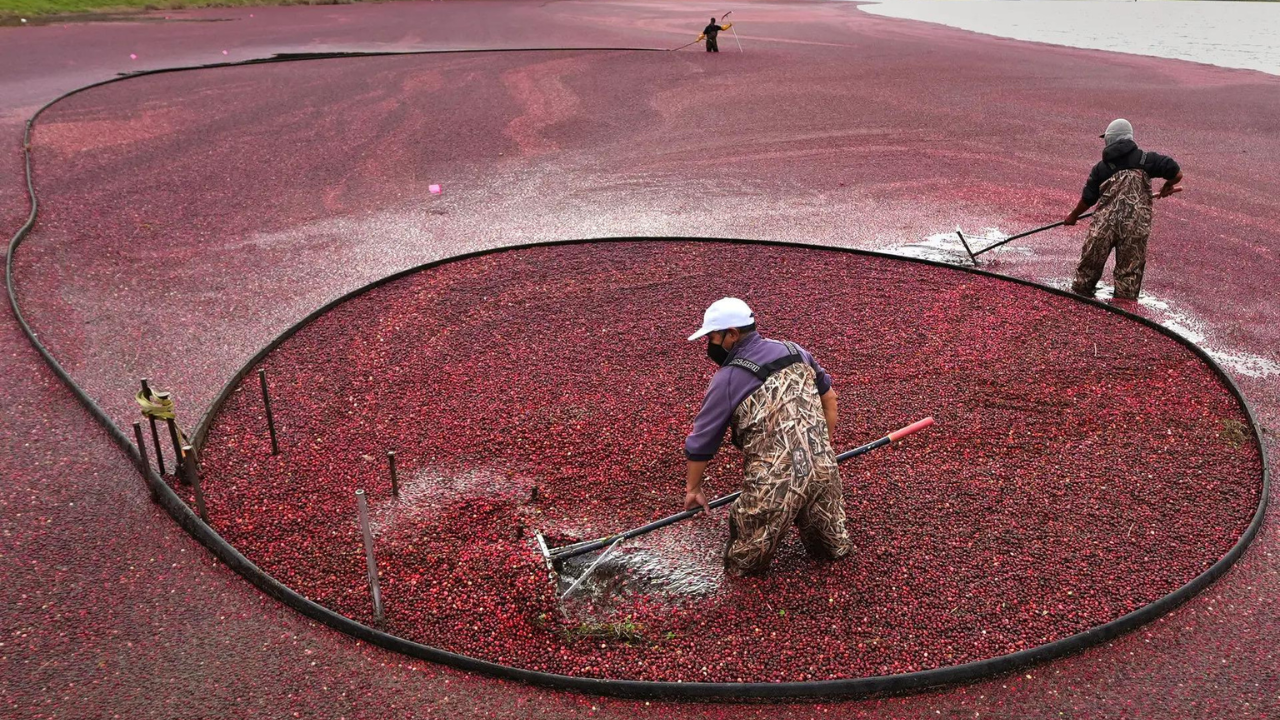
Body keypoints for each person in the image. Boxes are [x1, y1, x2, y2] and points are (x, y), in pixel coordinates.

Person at [683, 298, 851, 576]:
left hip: (774, 484)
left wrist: (693, 489)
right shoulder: (795, 351)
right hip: (824, 471)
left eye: (712, 337)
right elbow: (830, 399)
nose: (710, 345)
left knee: (743, 566)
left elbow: (702, 442)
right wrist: (820, 449)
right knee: (833, 554)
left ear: (732, 334)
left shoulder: (728, 377)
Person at [1063, 118, 1182, 300]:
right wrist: (1168, 186)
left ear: (1110, 140)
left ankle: (1082, 295)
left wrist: (1072, 216)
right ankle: (1125, 307)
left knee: (1088, 269)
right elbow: (1176, 173)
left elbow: (1088, 199)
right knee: (1129, 273)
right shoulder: (1146, 160)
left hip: (1104, 226)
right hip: (1135, 227)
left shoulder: (1101, 169)